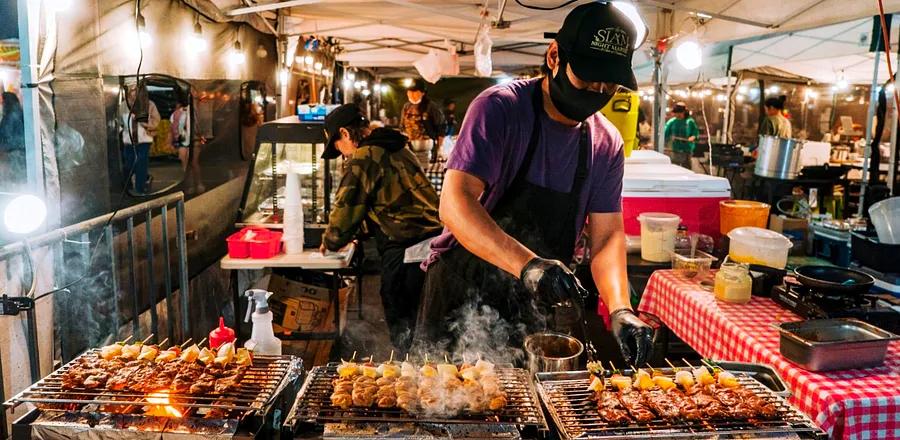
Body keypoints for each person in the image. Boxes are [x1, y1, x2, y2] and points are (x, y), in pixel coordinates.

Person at [415, 2, 653, 366]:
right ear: (555, 56)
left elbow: (606, 237)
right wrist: (529, 266)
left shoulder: (606, 143)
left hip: (534, 305)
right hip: (462, 290)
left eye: (610, 82)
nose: (599, 88)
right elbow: (455, 203)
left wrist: (620, 308)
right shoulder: (500, 109)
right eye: (588, 75)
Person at [320, 104, 443, 351]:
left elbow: (347, 208)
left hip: (405, 249)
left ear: (345, 133)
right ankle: (427, 374)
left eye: (337, 146)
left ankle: (408, 376)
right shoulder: (397, 147)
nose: (342, 154)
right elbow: (386, 196)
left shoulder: (365, 157)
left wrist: (331, 241)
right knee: (426, 324)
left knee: (403, 327)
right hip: (435, 242)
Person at [120, 84, 160, 195]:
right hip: (129, 141)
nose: (134, 92)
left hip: (144, 140)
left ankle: (140, 189)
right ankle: (135, 183)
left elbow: (156, 121)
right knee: (129, 164)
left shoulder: (149, 104)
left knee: (141, 162)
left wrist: (144, 122)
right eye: (131, 89)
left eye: (136, 89)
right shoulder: (123, 105)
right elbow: (119, 122)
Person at [401, 79, 445, 164]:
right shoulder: (406, 107)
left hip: (427, 145)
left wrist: (440, 147)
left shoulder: (431, 107)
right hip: (410, 145)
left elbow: (441, 126)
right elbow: (402, 126)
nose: (412, 95)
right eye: (410, 92)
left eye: (415, 92)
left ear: (423, 93)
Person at [0, 92, 26, 185]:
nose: (2, 105)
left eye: (2, 102)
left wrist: (2, 148)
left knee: (16, 181)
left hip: (15, 155)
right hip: (20, 155)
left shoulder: (11, 116)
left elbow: (9, 138)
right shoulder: (20, 113)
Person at [664, 102, 698, 169]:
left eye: (680, 112)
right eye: (676, 112)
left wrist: (693, 137)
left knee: (686, 167)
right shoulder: (672, 121)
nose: (678, 114)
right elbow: (665, 133)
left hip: (687, 149)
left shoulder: (690, 121)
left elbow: (695, 132)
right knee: (675, 167)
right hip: (675, 149)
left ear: (684, 112)